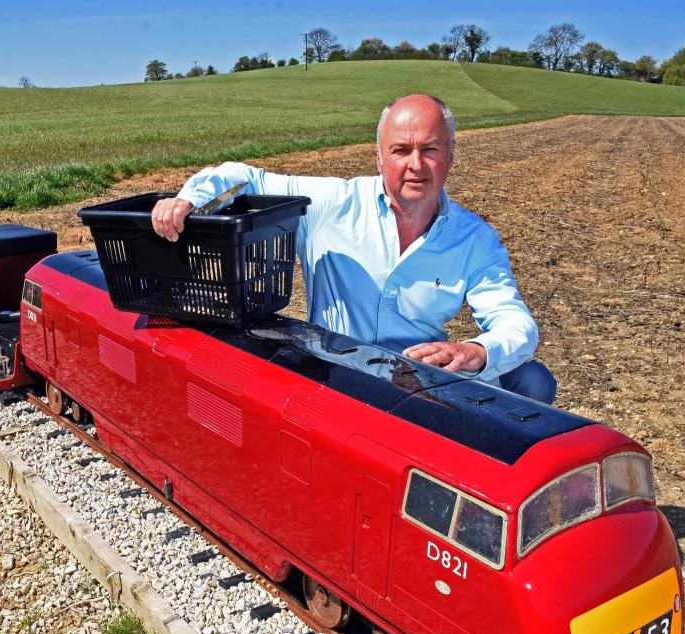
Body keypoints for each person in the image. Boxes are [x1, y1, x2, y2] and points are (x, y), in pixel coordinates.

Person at [150, 94, 556, 404]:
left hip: (420, 378)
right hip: (339, 373)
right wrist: (190, 201)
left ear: (450, 155)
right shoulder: (331, 203)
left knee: (534, 380)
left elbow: (516, 324)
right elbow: (243, 177)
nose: (416, 165)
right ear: (379, 158)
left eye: (430, 149)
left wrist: (475, 351)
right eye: (401, 150)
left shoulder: (473, 238)